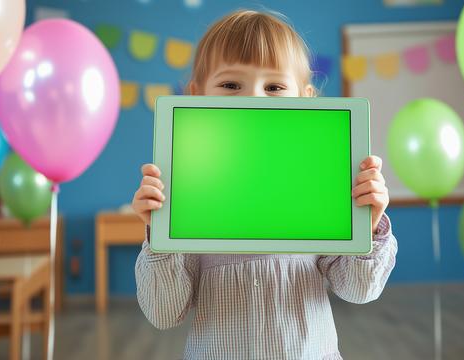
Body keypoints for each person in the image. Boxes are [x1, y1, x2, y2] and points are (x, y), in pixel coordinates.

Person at [133, 9, 398, 360]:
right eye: (231, 85)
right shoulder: (185, 195)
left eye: (273, 87)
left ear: (305, 100)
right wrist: (160, 234)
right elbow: (165, 313)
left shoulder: (319, 186)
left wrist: (368, 223)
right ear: (195, 97)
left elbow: (359, 289)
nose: (253, 100)